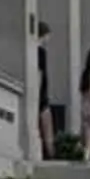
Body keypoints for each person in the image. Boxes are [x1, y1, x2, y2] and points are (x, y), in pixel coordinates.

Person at [36, 21, 54, 159]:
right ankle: (49, 153)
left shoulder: (34, 51)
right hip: (41, 93)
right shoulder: (40, 52)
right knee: (47, 126)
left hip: (40, 92)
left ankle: (47, 151)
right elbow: (39, 73)